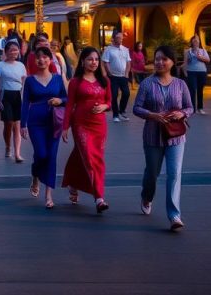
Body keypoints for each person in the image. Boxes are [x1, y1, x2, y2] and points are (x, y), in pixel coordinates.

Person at [133, 45, 192, 230]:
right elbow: (136, 108)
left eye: (164, 59)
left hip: (176, 137)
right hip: (153, 135)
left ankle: (174, 215)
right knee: (152, 173)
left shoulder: (180, 84)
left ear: (172, 62)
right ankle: (147, 196)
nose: (159, 62)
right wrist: (151, 115)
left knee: (174, 175)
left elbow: (190, 107)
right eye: (157, 59)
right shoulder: (146, 84)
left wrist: (182, 114)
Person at [61, 46, 112, 213]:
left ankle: (73, 182)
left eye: (96, 59)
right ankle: (99, 198)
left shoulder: (105, 81)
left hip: (99, 126)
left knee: (87, 156)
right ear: (83, 61)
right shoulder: (76, 82)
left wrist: (104, 106)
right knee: (90, 159)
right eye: (90, 59)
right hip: (81, 124)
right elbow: (69, 106)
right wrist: (65, 127)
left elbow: (110, 103)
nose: (94, 62)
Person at [21, 47, 67, 209]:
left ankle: (48, 194)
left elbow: (67, 98)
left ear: (50, 60)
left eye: (45, 57)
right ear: (35, 60)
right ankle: (35, 174)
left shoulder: (58, 79)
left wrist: (59, 101)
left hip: (54, 123)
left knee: (51, 157)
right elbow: (25, 102)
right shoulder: (30, 80)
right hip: (36, 122)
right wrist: (23, 124)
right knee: (41, 154)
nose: (41, 60)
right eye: (38, 57)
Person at [0, 41, 27, 162]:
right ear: (6, 52)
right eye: (11, 50)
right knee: (8, 123)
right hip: (5, 95)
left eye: (16, 50)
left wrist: (25, 98)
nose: (14, 52)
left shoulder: (21, 66)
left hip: (18, 95)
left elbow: (24, 82)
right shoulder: (0, 66)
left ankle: (17, 153)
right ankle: (8, 146)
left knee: (17, 124)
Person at [100, 31, 132, 122]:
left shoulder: (125, 49)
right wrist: (109, 73)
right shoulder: (108, 49)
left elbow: (128, 62)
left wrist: (126, 74)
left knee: (126, 93)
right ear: (113, 39)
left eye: (121, 37)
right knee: (114, 95)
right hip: (113, 76)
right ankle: (115, 115)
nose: (121, 39)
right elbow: (105, 62)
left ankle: (122, 111)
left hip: (123, 76)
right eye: (118, 37)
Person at [182, 35, 210, 115]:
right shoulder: (187, 51)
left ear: (199, 42)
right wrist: (185, 73)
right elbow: (185, 63)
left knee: (200, 90)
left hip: (202, 71)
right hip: (191, 71)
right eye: (194, 41)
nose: (196, 42)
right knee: (192, 89)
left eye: (197, 41)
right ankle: (192, 108)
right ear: (191, 42)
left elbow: (208, 60)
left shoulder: (203, 50)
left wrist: (200, 57)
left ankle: (200, 108)